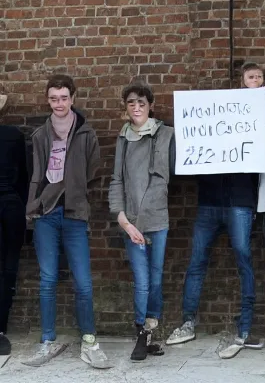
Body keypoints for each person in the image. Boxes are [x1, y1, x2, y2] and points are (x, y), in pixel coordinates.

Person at [166, 63, 265, 359]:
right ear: (241, 80)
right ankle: (187, 322)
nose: (256, 81)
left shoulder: (260, 118)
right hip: (209, 200)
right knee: (197, 261)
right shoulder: (219, 109)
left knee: (244, 261)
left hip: (240, 201)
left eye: (260, 78)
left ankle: (245, 327)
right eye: (251, 77)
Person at [23, 74, 109, 369]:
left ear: (73, 98)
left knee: (83, 282)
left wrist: (77, 196)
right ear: (47, 100)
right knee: (47, 280)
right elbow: (35, 174)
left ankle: (89, 340)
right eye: (53, 98)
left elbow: (93, 171)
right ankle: (48, 339)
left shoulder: (86, 133)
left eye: (63, 97)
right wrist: (34, 206)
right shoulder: (38, 136)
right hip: (46, 215)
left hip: (74, 215)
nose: (59, 103)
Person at [108, 80, 175, 361]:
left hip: (157, 220)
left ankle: (150, 330)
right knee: (143, 280)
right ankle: (140, 333)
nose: (136, 107)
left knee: (156, 280)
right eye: (131, 103)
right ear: (126, 107)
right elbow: (117, 180)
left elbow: (162, 178)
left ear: (151, 106)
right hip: (131, 223)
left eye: (142, 102)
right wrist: (124, 220)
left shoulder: (165, 135)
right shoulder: (123, 139)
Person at [0, 90, 28, 359]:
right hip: (12, 205)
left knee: (9, 268)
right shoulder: (14, 135)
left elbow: (23, 178)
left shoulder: (13, 135)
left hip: (11, 205)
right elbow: (23, 179)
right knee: (8, 268)